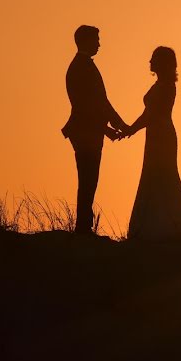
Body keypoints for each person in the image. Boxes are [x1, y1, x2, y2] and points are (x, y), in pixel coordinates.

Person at [62, 25, 128, 234]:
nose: (99, 44)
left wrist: (118, 124)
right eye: (96, 39)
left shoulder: (83, 66)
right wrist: (109, 128)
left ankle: (84, 226)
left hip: (90, 131)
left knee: (90, 179)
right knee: (88, 179)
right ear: (86, 41)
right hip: (85, 132)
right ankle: (83, 228)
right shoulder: (81, 68)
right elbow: (87, 106)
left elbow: (100, 103)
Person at [124, 46, 181, 240]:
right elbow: (148, 115)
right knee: (152, 174)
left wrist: (130, 129)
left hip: (162, 136)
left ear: (163, 63)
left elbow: (152, 115)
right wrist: (131, 128)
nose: (150, 61)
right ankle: (156, 224)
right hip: (155, 135)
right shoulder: (161, 84)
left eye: (154, 58)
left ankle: (176, 222)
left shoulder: (166, 86)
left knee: (165, 175)